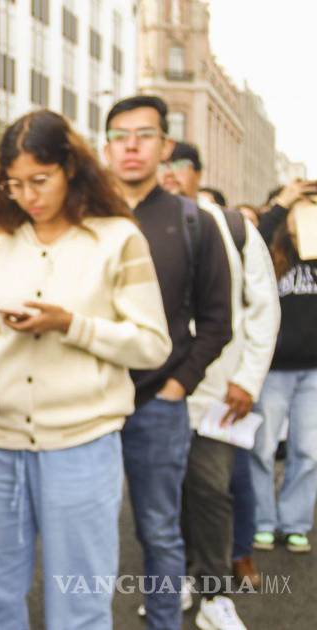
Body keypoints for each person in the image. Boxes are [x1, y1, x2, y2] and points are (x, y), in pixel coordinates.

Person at [0, 109, 170, 630]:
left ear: (70, 169)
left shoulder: (118, 239)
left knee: (79, 603)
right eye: (14, 185)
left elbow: (152, 345)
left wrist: (70, 324)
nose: (28, 196)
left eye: (40, 180)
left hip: (82, 444)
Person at [104, 96, 232, 630]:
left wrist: (179, 384)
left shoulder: (193, 221)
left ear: (166, 146)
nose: (131, 146)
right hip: (89, 402)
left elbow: (218, 320)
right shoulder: (88, 217)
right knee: (82, 530)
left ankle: (164, 621)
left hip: (159, 403)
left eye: (144, 135)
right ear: (106, 147)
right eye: (120, 136)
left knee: (159, 529)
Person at [159, 141, 280, 629]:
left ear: (198, 172)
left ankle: (213, 593)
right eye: (163, 164)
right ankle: (173, 584)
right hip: (153, 392)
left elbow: (264, 308)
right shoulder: (132, 224)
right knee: (161, 497)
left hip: (217, 392)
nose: (169, 173)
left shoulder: (231, 227)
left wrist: (247, 379)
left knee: (211, 491)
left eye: (180, 164)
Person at [250, 201, 317, 557]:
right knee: (261, 448)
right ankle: (262, 521)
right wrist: (284, 202)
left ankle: (294, 524)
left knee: (308, 451)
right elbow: (251, 239)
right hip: (273, 369)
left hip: (313, 371)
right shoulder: (269, 254)